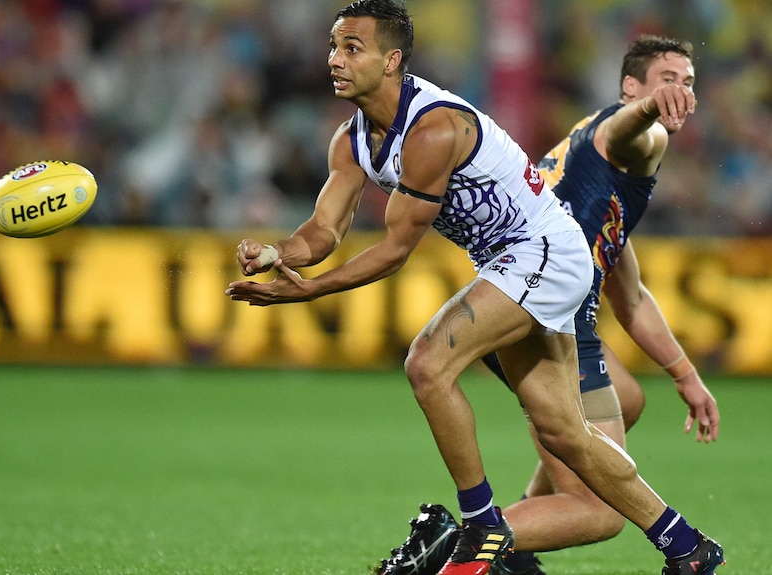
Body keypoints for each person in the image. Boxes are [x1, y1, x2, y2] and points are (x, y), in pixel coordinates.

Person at [225, 3, 724, 575]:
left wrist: (310, 292)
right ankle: (687, 546)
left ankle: (483, 526)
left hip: (543, 252)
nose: (335, 60)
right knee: (566, 433)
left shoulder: (434, 127)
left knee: (427, 363)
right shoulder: (351, 138)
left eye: (352, 48)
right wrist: (278, 254)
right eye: (334, 46)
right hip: (519, 261)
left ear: (392, 61)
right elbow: (324, 229)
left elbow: (394, 250)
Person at [375, 35, 724, 575]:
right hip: (548, 312)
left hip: (523, 301)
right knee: (599, 512)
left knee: (626, 400)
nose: (680, 92)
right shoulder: (636, 136)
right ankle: (462, 541)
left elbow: (629, 295)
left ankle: (510, 546)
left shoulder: (595, 165)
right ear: (631, 87)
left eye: (688, 82)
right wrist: (650, 109)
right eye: (666, 80)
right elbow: (631, 127)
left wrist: (683, 375)